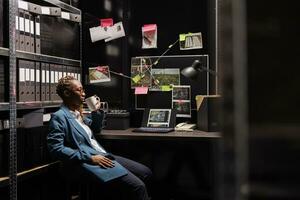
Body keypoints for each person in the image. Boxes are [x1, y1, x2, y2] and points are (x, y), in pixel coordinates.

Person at [47, 75, 152, 200]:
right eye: (79, 90)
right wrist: (90, 158)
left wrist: (95, 111)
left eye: (83, 90)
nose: (84, 93)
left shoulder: (77, 113)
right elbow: (56, 149)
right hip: (87, 160)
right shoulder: (59, 116)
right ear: (67, 93)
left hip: (101, 155)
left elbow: (95, 129)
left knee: (146, 173)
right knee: (138, 187)